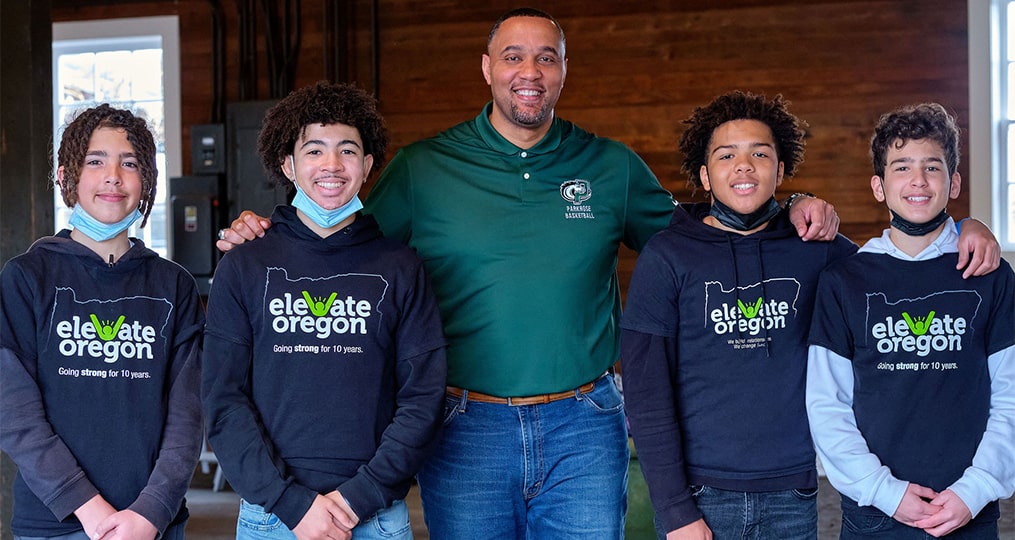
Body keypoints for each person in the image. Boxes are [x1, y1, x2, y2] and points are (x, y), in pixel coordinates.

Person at [215, 9, 998, 539]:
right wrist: (264, 229)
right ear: (487, 67)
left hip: (583, 424)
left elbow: (711, 228)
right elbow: (339, 236)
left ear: (563, 71)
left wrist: (802, 204)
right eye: (514, 56)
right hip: (465, 426)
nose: (530, 71)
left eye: (546, 58)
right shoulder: (424, 169)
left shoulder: (609, 166)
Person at [201, 81, 446, 540]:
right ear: (288, 164)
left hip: (375, 516)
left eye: (347, 151)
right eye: (314, 151)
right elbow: (223, 400)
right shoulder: (245, 264)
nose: (331, 166)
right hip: (271, 516)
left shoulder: (401, 267)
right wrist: (290, 503)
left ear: (367, 165)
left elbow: (422, 399)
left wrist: (359, 497)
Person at [620, 91, 859, 540]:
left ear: (781, 170)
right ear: (705, 176)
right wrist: (674, 511)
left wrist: (969, 230)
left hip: (794, 492)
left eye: (760, 154)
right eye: (727, 155)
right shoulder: (667, 257)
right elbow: (645, 392)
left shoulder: (815, 250)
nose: (744, 166)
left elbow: (896, 270)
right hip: (701, 494)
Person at [806, 103, 1015, 539]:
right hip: (874, 512)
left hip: (968, 508)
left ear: (953, 182)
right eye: (902, 167)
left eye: (932, 167)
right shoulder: (845, 280)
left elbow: (1011, 395)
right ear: (879, 186)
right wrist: (883, 491)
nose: (918, 181)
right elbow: (827, 404)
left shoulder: (988, 275)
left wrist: (975, 490)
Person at [0, 104, 204, 540]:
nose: (113, 175)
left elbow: (188, 415)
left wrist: (151, 512)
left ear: (145, 181)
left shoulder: (174, 287)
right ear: (65, 177)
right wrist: (87, 509)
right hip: (54, 524)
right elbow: (14, 412)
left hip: (154, 523)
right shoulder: (26, 278)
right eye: (95, 161)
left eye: (129, 163)